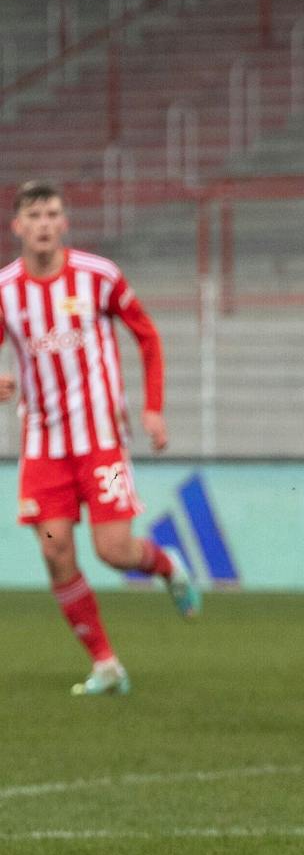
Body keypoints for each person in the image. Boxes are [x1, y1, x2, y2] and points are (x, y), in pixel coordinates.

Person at [1, 180, 200, 696]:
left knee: (113, 550)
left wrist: (152, 407)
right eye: (34, 215)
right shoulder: (5, 291)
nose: (44, 224)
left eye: (52, 214)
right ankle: (106, 663)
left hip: (100, 441)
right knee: (54, 549)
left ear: (64, 223)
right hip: (43, 447)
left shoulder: (99, 276)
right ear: (17, 226)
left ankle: (167, 564)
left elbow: (147, 335)